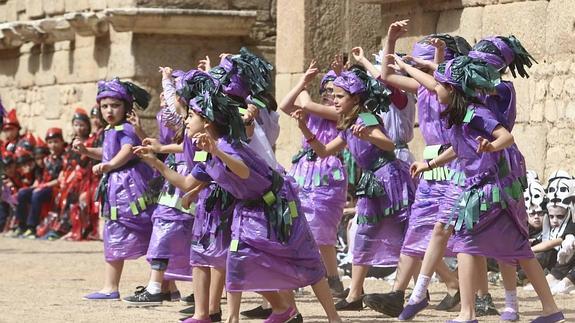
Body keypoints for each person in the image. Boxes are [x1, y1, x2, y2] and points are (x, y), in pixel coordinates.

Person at [397, 53, 562, 323]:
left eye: (438, 84)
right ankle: (551, 310)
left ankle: (468, 312)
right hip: (481, 189)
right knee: (518, 249)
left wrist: (491, 146)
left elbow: (506, 137)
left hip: (490, 191)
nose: (433, 88)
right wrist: (430, 163)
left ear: (451, 89)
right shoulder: (459, 115)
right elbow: (458, 148)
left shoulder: (476, 113)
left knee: (464, 240)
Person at [363, 19, 469, 317]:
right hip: (428, 167)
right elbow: (385, 74)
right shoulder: (421, 89)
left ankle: (479, 294)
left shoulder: (451, 89)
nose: (419, 69)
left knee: (463, 234)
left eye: (425, 64)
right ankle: (399, 294)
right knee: (417, 229)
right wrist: (391, 39)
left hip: (452, 161)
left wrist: (436, 56)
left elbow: (440, 82)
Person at [292, 65, 415, 311]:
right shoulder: (348, 124)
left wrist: (369, 136)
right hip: (372, 182)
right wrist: (304, 128)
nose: (334, 101)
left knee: (405, 234)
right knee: (363, 236)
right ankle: (354, 295)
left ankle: (432, 287)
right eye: (333, 96)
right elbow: (325, 151)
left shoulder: (366, 117)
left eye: (339, 96)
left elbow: (389, 143)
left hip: (389, 178)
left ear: (355, 98)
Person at [77, 78, 155, 301]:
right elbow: (107, 152)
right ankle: (111, 286)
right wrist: (85, 150)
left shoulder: (127, 128)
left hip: (130, 186)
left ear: (126, 106)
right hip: (115, 187)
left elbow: (127, 150)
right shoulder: (110, 129)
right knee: (113, 233)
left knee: (146, 230)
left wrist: (110, 165)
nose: (109, 110)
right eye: (104, 106)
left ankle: (160, 284)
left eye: (115, 105)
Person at [278, 60, 348, 297]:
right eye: (327, 90)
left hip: (327, 177)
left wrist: (306, 84)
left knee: (322, 232)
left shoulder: (341, 113)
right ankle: (307, 277)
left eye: (335, 91)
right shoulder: (311, 113)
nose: (330, 95)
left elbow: (305, 103)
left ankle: (332, 278)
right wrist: (302, 82)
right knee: (297, 226)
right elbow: (285, 105)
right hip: (302, 175)